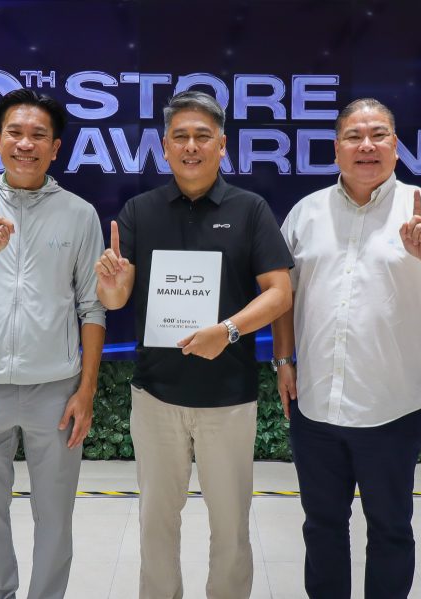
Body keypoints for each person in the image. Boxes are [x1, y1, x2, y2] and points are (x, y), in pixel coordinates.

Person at [270, 98, 421, 598]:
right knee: (321, 527)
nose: (367, 145)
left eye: (378, 135)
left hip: (391, 408)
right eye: (354, 136)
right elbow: (282, 296)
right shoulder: (305, 213)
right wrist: (284, 359)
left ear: (396, 146)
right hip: (315, 404)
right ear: (336, 148)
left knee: (390, 529)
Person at [94, 90, 292, 599]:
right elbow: (115, 299)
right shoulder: (140, 211)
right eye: (179, 136)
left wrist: (227, 331)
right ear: (164, 146)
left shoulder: (250, 209)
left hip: (228, 398)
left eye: (202, 136)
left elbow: (280, 292)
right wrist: (111, 283)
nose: (190, 146)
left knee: (231, 528)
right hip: (156, 395)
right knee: (156, 524)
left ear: (222, 145)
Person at [0, 88, 106, 599]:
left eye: (38, 136)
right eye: (15, 133)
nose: (25, 144)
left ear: (55, 148)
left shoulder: (79, 213)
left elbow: (92, 307)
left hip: (55, 390)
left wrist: (86, 391)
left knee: (56, 516)